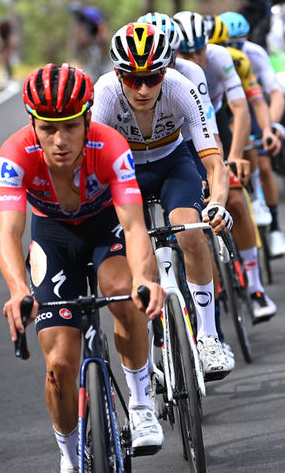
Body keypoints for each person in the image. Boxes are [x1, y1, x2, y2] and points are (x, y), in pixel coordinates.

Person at [0, 63, 166, 473]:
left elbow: (134, 225)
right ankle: (70, 467)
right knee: (58, 365)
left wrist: (146, 277)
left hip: (104, 228)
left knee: (122, 290)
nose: (59, 140)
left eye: (70, 126)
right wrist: (17, 291)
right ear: (33, 124)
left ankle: (140, 398)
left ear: (87, 119)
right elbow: (9, 234)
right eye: (48, 129)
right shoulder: (15, 153)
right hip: (52, 238)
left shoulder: (110, 146)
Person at [91, 22, 236, 379]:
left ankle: (208, 336)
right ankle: (150, 344)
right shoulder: (106, 93)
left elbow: (214, 163)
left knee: (189, 232)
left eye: (152, 78)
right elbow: (92, 167)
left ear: (166, 70)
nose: (141, 89)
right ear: (116, 71)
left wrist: (217, 203)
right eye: (131, 78)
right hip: (125, 172)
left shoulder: (182, 88)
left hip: (174, 163)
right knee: (134, 251)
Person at [173, 11, 278, 322]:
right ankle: (211, 294)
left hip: (219, 122)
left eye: (200, 49)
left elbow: (240, 109)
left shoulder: (221, 57)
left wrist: (231, 159)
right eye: (186, 52)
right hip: (183, 135)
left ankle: (256, 289)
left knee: (232, 197)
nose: (196, 58)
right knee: (194, 214)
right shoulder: (176, 71)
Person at [219, 10, 285, 257]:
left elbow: (274, 94)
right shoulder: (218, 56)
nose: (238, 47)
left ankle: (275, 228)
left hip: (250, 103)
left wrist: (270, 128)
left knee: (265, 162)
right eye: (232, 43)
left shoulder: (254, 54)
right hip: (225, 107)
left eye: (242, 41)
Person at [68, 4, 109, 81]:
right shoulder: (79, 18)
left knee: (101, 43)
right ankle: (91, 65)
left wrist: (101, 38)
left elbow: (101, 25)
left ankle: (106, 61)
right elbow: (80, 30)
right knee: (85, 45)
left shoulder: (90, 13)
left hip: (100, 28)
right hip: (91, 31)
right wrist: (81, 40)